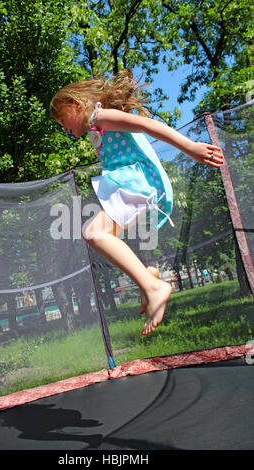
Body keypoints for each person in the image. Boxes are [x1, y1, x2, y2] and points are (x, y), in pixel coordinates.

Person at [50, 70, 224, 336]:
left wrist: (190, 147)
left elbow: (146, 125)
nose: (64, 128)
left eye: (63, 119)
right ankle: (148, 277)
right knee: (101, 235)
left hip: (140, 183)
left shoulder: (101, 116)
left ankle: (154, 287)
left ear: (75, 104)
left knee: (93, 233)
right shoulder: (96, 126)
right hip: (134, 184)